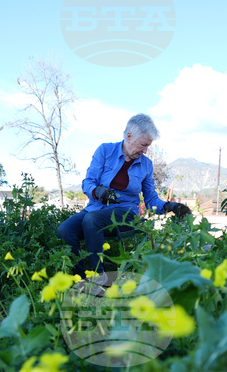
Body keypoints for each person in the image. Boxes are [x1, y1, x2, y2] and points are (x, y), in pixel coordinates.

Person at [57, 113, 190, 274]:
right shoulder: (105, 151)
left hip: (125, 213)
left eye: (148, 146)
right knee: (65, 230)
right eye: (143, 145)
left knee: (91, 221)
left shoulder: (146, 165)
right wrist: (98, 191)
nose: (146, 151)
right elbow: (88, 182)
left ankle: (99, 277)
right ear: (129, 136)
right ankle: (81, 277)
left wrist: (170, 206)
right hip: (95, 208)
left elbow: (151, 199)